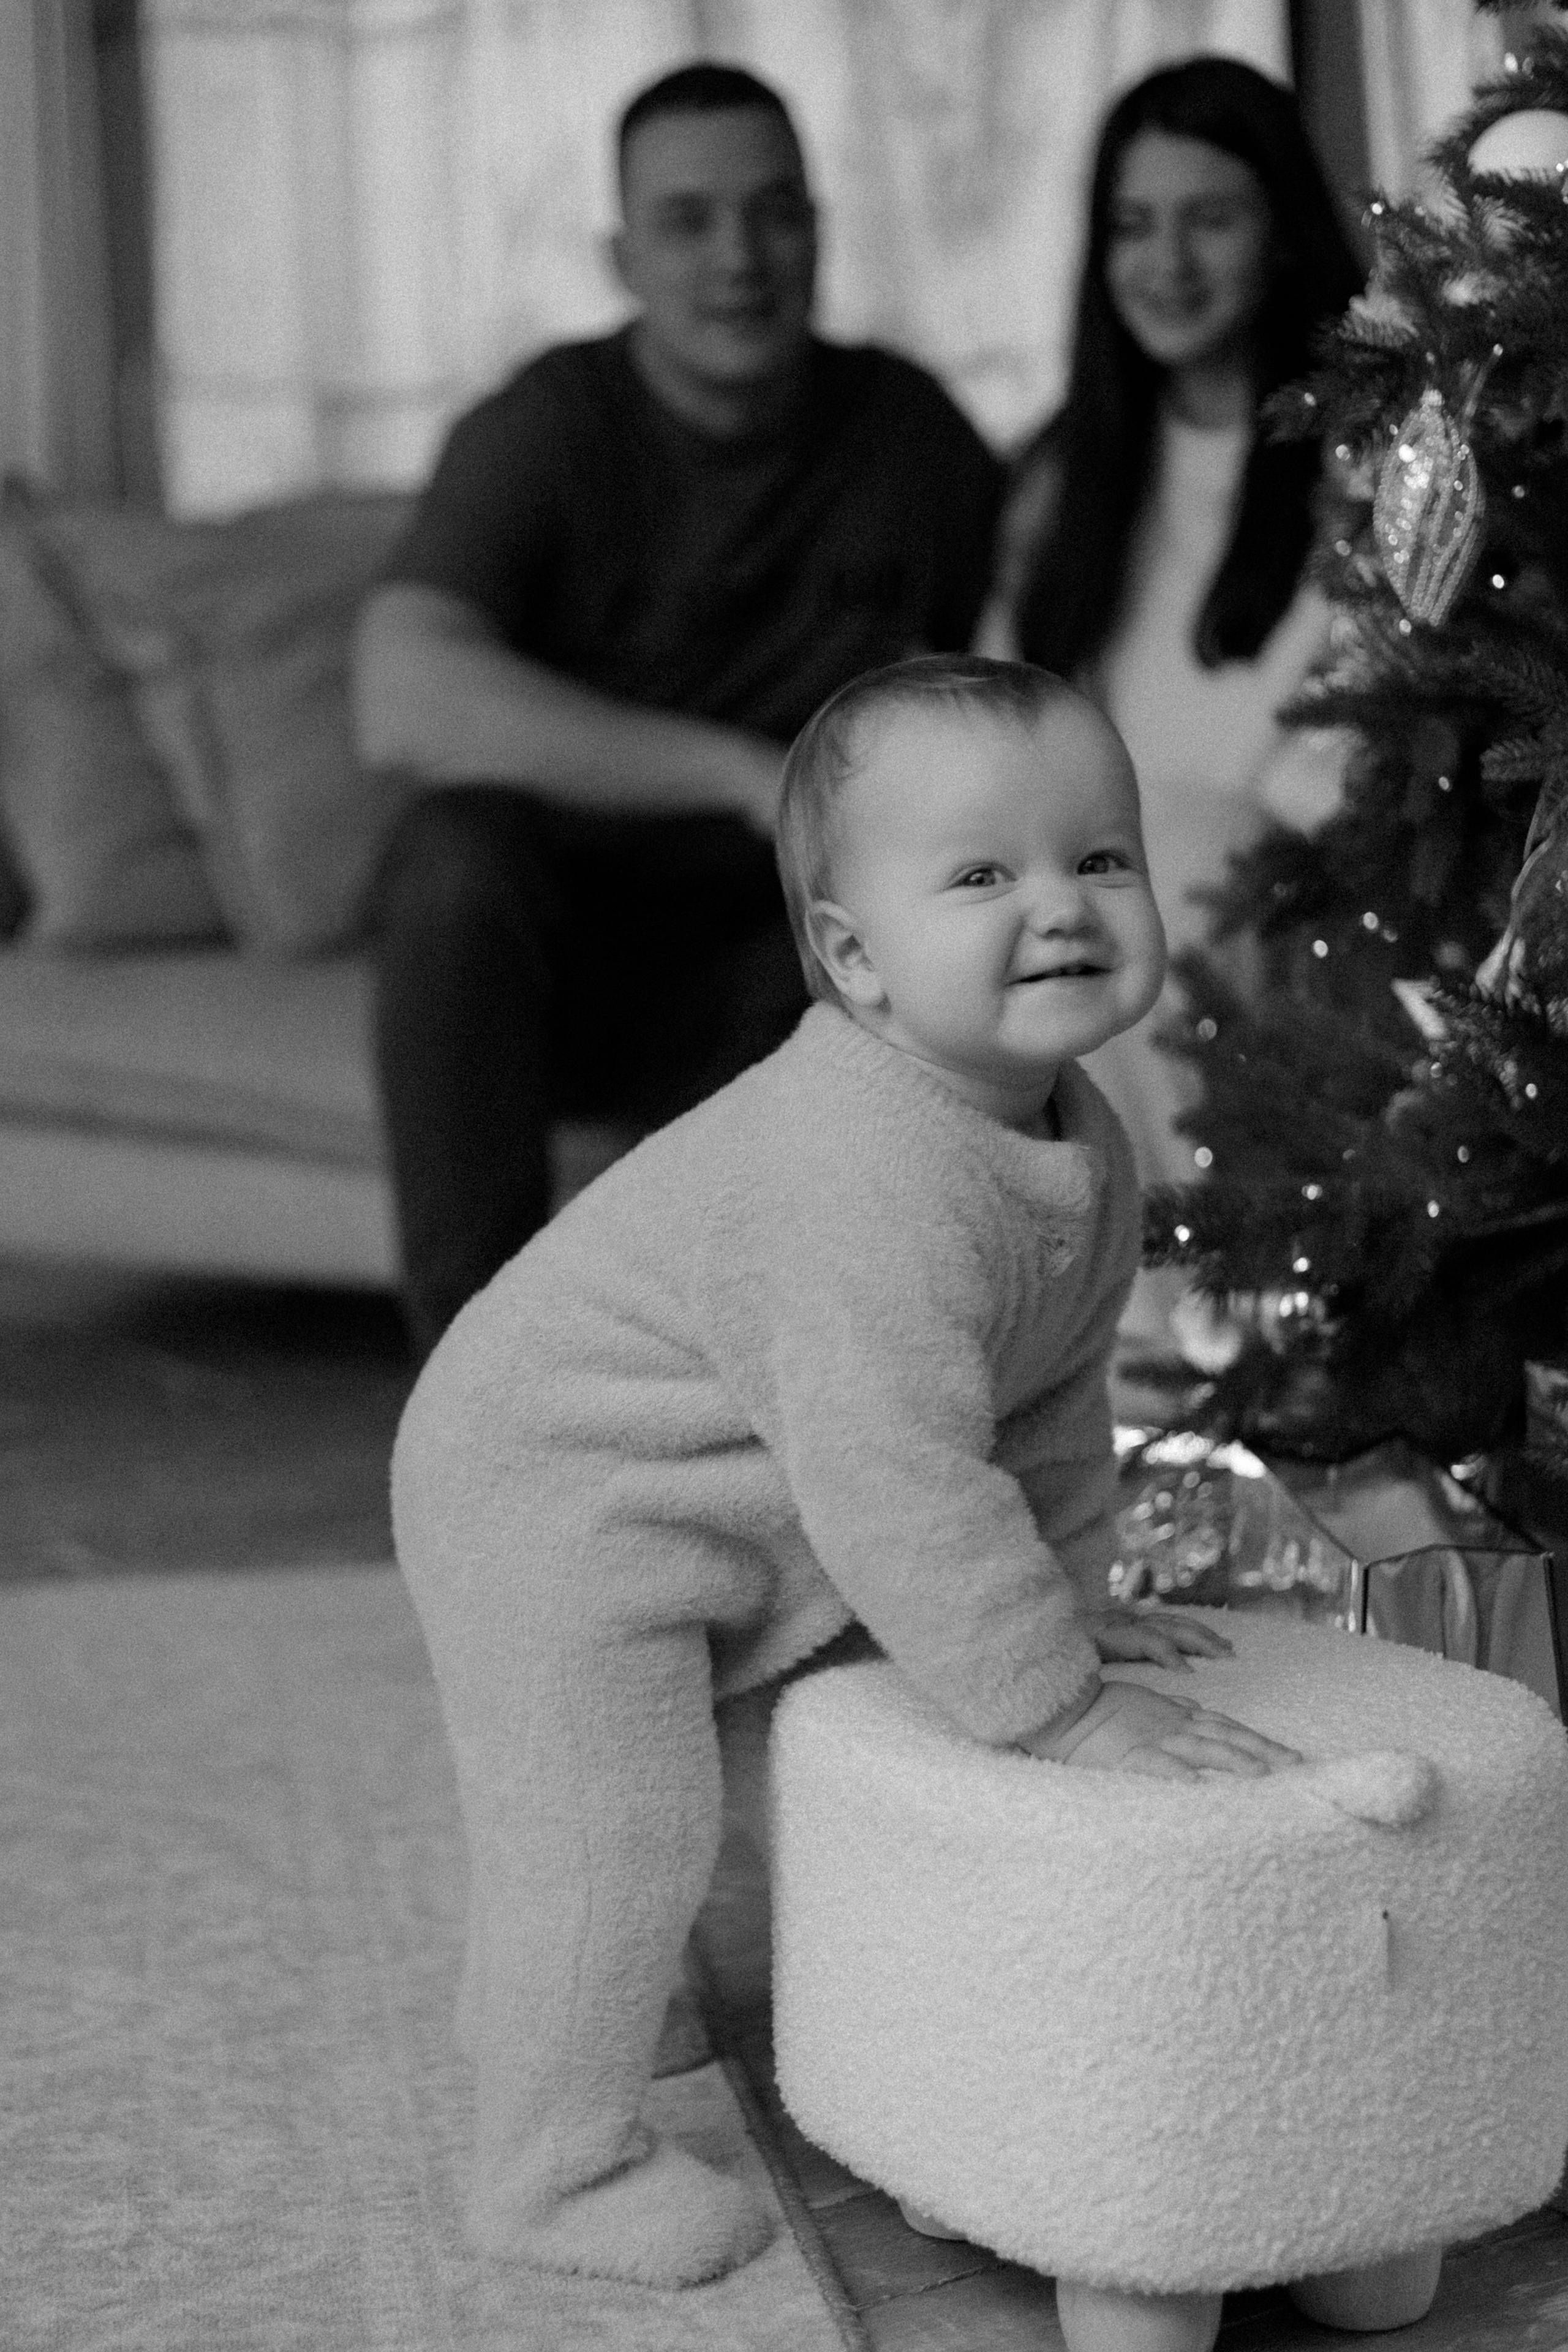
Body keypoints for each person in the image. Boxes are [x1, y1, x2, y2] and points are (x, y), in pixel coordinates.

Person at [390, 655, 1298, 2305]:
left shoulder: (1077, 1138)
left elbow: (1040, 1412)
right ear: (854, 962)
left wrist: (1073, 1615)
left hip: (731, 1462)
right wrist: (1056, 1707)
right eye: (981, 875)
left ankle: (642, 2007)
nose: (1063, 907)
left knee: (815, 1754)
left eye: (1102, 858)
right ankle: (549, 2166)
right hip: (550, 1484)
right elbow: (895, 1487)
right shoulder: (863, 1176)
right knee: (616, 1829)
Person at [353, 60, 1005, 1358]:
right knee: (446, 862)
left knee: (870, 933)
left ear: (820, 229)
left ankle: (772, 1418)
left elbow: (1014, 679)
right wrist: (734, 772)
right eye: (688, 221)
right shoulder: (542, 428)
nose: (739, 258)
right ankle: (469, 1383)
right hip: (559, 958)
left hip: (789, 957)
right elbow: (399, 693)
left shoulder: (909, 434)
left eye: (773, 213)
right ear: (621, 254)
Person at [978, 56, 1363, 1355]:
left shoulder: (1365, 458)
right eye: (1132, 226)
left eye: (1210, 218)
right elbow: (1000, 729)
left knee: (1177, 862)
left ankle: (1168, 1343)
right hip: (1086, 908)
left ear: (1282, 233)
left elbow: (1377, 747)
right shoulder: (1062, 480)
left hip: (1295, 920)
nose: (1166, 262)